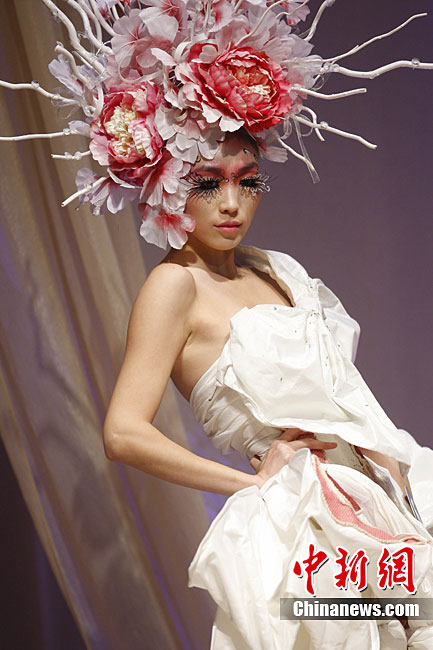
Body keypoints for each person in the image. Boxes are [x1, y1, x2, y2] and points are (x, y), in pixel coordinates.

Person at [103, 127, 433, 649]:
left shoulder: (272, 270)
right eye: (207, 182)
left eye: (248, 181)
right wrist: (252, 484)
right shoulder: (174, 285)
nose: (231, 203)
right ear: (167, 183)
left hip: (383, 494)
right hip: (309, 522)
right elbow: (122, 433)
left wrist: (397, 477)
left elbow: (345, 398)